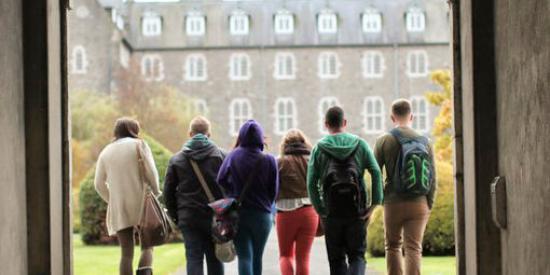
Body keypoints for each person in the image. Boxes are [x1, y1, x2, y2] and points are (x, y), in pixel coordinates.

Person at [307, 106, 383, 275]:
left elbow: (311, 183)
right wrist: (373, 204)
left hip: (331, 212)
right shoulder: (360, 144)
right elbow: (376, 171)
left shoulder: (319, 148)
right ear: (345, 122)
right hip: (357, 211)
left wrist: (320, 210)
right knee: (357, 257)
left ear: (326, 124)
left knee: (336, 260)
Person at [373, 99, 437, 275]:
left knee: (392, 246)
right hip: (419, 202)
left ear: (392, 117)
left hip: (393, 203)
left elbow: (374, 174)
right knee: (414, 248)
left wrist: (378, 201)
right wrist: (428, 204)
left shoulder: (383, 140)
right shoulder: (426, 142)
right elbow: (433, 179)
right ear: (412, 116)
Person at [94, 117, 160, 275]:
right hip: (142, 204)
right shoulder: (140, 145)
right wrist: (156, 192)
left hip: (120, 207)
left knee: (126, 253)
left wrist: (113, 200)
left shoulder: (106, 151)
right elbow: (152, 173)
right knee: (147, 246)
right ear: (134, 130)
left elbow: (98, 184)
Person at [164, 116, 226, 275]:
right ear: (209, 134)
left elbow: (168, 193)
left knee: (193, 258)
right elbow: (229, 187)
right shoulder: (221, 156)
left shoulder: (177, 160)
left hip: (188, 215)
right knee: (215, 258)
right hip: (215, 216)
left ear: (190, 133)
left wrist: (176, 216)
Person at [217, 120, 279, 275]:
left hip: (239, 214)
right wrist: (266, 202)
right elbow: (275, 190)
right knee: (257, 257)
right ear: (260, 137)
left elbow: (220, 179)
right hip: (262, 215)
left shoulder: (233, 155)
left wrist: (232, 193)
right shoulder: (269, 159)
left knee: (244, 256)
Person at [275, 129, 319, 275]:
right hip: (309, 212)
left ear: (285, 144)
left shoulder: (279, 162)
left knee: (285, 255)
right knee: (303, 258)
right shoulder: (312, 160)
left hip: (285, 213)